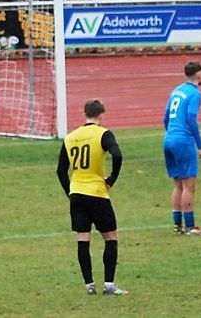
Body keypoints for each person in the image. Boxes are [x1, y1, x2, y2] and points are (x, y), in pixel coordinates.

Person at [56, 99, 127, 296]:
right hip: (97, 193)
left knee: (82, 239)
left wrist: (70, 192)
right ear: (101, 114)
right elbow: (118, 155)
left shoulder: (70, 137)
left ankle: (89, 286)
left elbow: (61, 171)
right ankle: (109, 285)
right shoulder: (103, 133)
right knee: (110, 237)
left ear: (84, 113)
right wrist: (111, 179)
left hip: (77, 193)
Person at [163, 61, 201, 235]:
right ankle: (190, 227)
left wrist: (171, 135)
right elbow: (191, 119)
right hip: (183, 141)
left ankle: (178, 226)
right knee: (189, 186)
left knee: (177, 185)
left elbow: (166, 117)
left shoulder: (176, 90)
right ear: (199, 74)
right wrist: (200, 146)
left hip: (169, 139)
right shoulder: (194, 93)